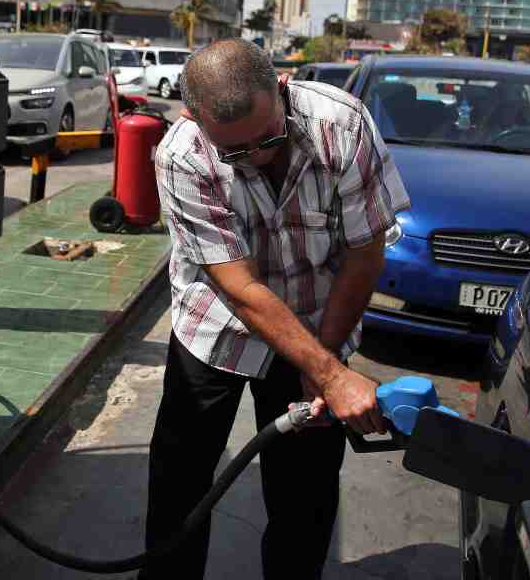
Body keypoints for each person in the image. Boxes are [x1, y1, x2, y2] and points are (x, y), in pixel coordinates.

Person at [142, 39, 410, 580]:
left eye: (269, 138)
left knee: (304, 498)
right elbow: (240, 288)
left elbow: (364, 253)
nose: (258, 156)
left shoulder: (344, 126)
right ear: (195, 119)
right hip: (216, 329)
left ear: (281, 89)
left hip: (319, 321)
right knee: (181, 486)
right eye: (235, 152)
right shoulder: (181, 155)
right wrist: (332, 376)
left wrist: (324, 367)